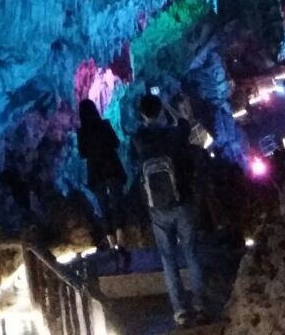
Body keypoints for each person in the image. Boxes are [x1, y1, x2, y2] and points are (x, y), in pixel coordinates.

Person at [130, 93, 210, 327]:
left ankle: (180, 311)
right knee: (191, 253)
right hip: (182, 200)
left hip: (156, 208)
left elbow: (135, 166)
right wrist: (167, 106)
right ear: (160, 112)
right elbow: (186, 124)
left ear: (142, 114)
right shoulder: (172, 135)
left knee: (168, 259)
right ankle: (201, 306)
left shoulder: (138, 139)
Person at [76, 98, 128, 251]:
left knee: (103, 206)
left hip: (96, 172)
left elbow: (82, 153)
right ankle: (121, 236)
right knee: (116, 202)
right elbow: (116, 143)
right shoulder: (104, 125)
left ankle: (111, 242)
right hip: (111, 167)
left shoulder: (82, 132)